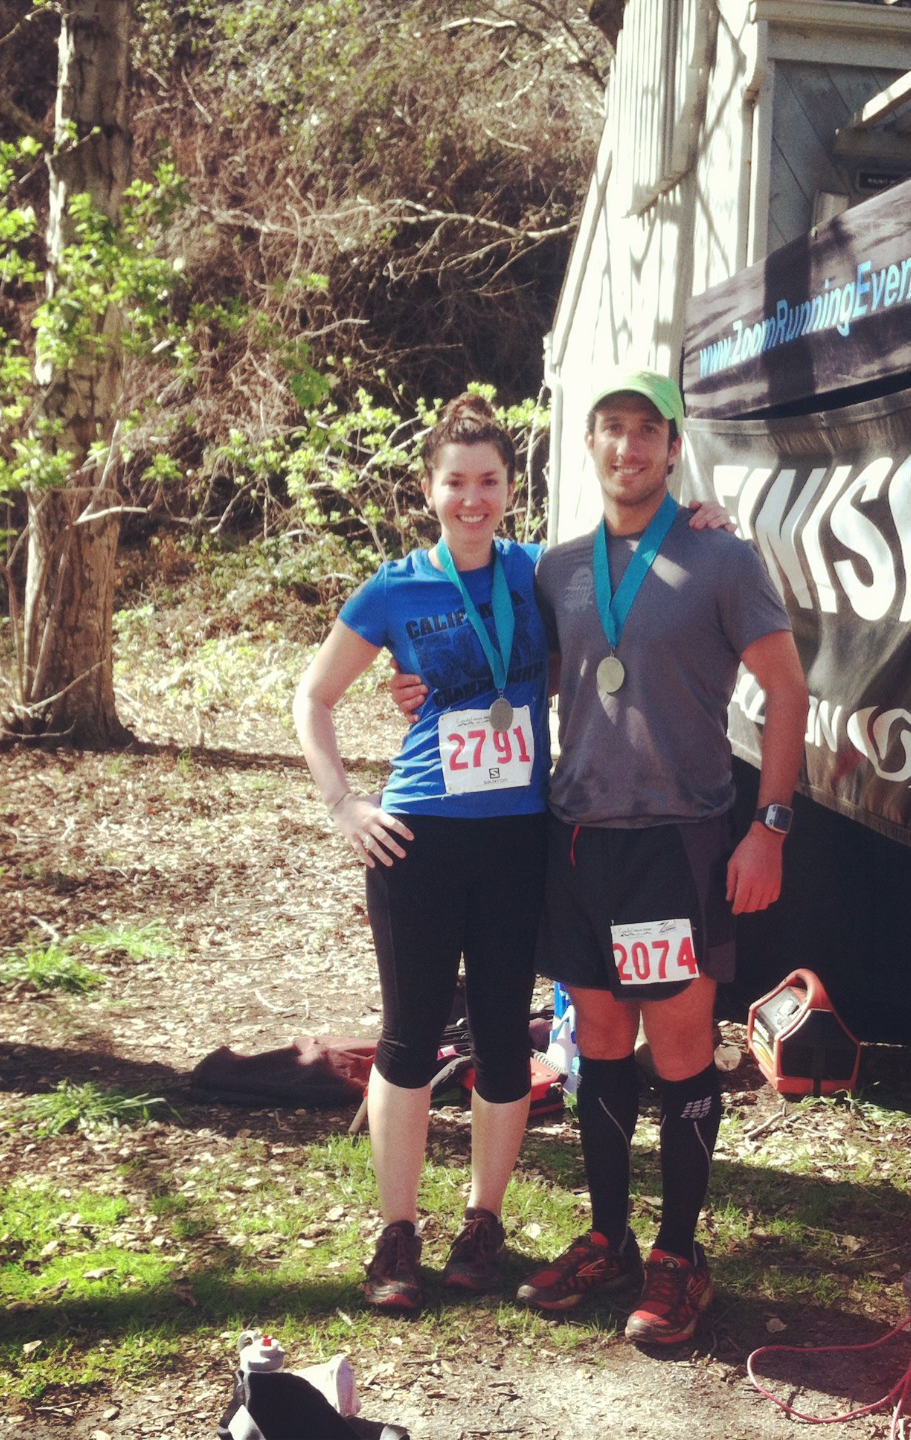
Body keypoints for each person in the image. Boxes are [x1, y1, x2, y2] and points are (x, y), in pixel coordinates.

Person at [512, 367, 808, 1345]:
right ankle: (610, 1238)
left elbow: (787, 689)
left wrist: (769, 827)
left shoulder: (721, 559)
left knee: (679, 1052)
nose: (628, 446)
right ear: (589, 443)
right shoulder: (559, 568)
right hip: (580, 843)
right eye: (612, 428)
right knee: (597, 1042)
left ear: (675, 448)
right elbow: (534, 679)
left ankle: (680, 1257)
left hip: (673, 848)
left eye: (648, 430)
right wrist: (423, 690)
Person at [293, 394, 552, 1313]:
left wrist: (704, 516)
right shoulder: (395, 588)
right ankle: (397, 1232)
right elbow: (313, 698)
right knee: (409, 1035)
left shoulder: (538, 572)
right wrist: (344, 803)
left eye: (489, 482)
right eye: (456, 483)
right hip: (419, 839)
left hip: (518, 837)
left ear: (511, 489)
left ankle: (483, 1223)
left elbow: (628, 565)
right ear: (428, 490)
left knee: (503, 1035)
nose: (472, 499)